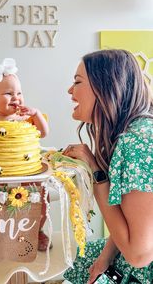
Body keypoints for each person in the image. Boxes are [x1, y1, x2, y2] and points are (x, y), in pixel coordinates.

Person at [62, 49, 153, 284]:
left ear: (104, 87)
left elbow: (139, 255)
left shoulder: (137, 143)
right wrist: (105, 257)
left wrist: (97, 174)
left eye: (77, 82)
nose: (70, 91)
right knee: (81, 260)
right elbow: (136, 218)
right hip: (131, 251)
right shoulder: (135, 133)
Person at [0, 58, 50, 251]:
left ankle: (36, 230)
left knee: (40, 199)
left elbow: (44, 132)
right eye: (8, 93)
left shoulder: (26, 118)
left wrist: (37, 114)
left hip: (27, 173)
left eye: (19, 92)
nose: (16, 97)